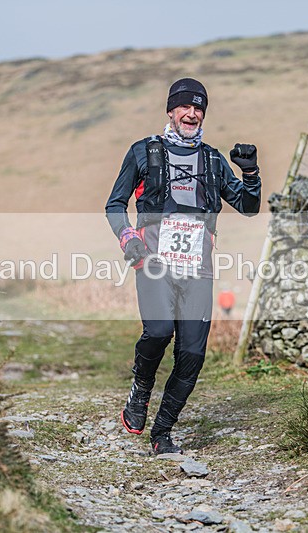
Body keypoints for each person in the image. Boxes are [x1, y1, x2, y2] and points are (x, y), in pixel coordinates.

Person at [105, 78, 261, 455]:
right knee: (158, 332)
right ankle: (140, 390)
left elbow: (248, 207)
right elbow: (115, 204)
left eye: (199, 108)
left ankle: (163, 432)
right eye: (185, 107)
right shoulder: (143, 152)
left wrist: (251, 173)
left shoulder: (211, 159)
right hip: (153, 261)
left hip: (198, 269)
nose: (192, 114)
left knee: (192, 354)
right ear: (171, 111)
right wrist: (129, 239)